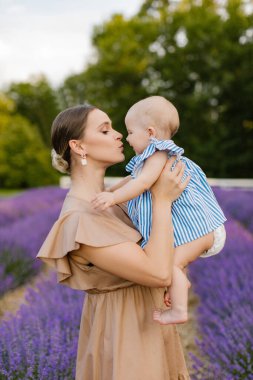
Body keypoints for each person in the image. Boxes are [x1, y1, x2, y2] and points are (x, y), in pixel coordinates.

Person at [36, 104, 191, 380]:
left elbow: (165, 252)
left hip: (152, 323)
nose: (119, 134)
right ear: (78, 146)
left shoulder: (115, 200)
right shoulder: (80, 219)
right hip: (125, 337)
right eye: (105, 130)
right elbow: (157, 272)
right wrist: (163, 200)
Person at [92, 96, 226, 325]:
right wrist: (110, 189)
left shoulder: (158, 153)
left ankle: (180, 311)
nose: (127, 137)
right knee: (172, 262)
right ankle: (178, 287)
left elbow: (142, 183)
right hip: (199, 229)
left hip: (203, 229)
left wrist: (113, 198)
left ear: (151, 133)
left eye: (131, 132)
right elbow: (131, 180)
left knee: (171, 264)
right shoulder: (149, 159)